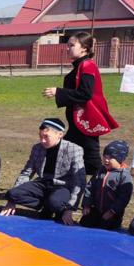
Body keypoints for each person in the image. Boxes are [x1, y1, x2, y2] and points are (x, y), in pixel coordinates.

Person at [42, 31, 117, 176]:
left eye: (72, 45)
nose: (67, 48)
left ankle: (107, 185)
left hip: (87, 122)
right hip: (78, 123)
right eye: (68, 45)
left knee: (91, 160)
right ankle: (56, 181)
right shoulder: (79, 66)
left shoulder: (87, 66)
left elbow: (85, 93)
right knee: (65, 152)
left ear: (84, 48)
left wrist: (59, 92)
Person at [1, 118, 86, 225]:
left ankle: (58, 207)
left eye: (46, 137)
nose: (42, 141)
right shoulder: (37, 148)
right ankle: (48, 206)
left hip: (62, 187)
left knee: (55, 202)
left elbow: (80, 181)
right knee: (12, 193)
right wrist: (12, 200)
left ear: (60, 134)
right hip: (42, 183)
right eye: (40, 136)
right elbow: (26, 173)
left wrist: (70, 208)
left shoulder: (74, 149)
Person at [79, 140, 133, 231]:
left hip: (112, 212)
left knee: (106, 226)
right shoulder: (100, 171)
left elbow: (123, 198)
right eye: (104, 156)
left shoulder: (124, 176)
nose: (106, 160)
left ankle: (112, 221)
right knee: (85, 222)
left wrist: (112, 211)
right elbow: (90, 187)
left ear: (120, 159)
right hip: (97, 209)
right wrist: (87, 205)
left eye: (110, 158)